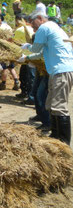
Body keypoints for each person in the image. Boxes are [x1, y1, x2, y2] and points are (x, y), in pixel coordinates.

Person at [20, 11, 73, 145]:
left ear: (39, 18)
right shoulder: (54, 27)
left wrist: (27, 47)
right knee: (50, 103)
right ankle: (55, 135)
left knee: (59, 106)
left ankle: (64, 141)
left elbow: (36, 48)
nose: (33, 28)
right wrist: (27, 58)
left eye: (33, 25)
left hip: (61, 70)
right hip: (57, 71)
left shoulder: (45, 27)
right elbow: (42, 52)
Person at [13, 14, 35, 99]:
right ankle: (29, 94)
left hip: (24, 56)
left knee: (25, 75)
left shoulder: (19, 30)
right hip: (33, 56)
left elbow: (15, 43)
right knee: (31, 76)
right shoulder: (34, 29)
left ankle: (27, 94)